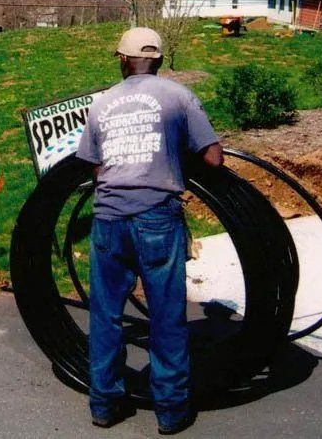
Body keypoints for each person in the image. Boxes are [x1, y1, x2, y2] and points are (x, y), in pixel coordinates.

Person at [76, 27, 223, 435]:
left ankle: (104, 405)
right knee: (166, 317)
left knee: (105, 315)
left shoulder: (101, 103)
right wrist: (172, 156)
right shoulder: (179, 96)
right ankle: (171, 412)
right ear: (158, 60)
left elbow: (93, 164)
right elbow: (213, 158)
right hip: (158, 217)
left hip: (108, 218)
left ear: (122, 60)